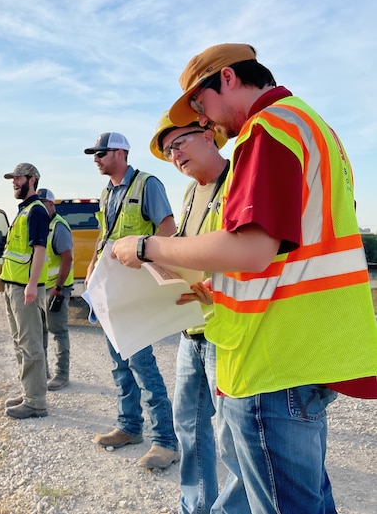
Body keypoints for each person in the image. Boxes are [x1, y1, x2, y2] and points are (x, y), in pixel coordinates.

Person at [111, 43, 377, 513]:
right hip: (310, 348)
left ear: (228, 79)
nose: (205, 119)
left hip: (272, 355)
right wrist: (213, 287)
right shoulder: (318, 131)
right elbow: (293, 251)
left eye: (200, 104)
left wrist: (146, 247)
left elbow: (251, 250)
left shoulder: (268, 128)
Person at [150, 112, 249, 514]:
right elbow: (187, 249)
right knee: (188, 426)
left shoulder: (239, 182)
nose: (174, 156)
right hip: (192, 330)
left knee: (233, 439)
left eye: (179, 144)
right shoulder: (192, 194)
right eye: (169, 151)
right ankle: (196, 505)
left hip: (227, 331)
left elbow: (246, 255)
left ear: (209, 135)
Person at [84, 132, 180, 470]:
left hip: (134, 289)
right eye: (93, 153)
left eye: (101, 152)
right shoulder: (106, 192)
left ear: (121, 152)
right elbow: (105, 234)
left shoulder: (146, 185)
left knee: (142, 364)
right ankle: (129, 427)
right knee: (119, 362)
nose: (96, 158)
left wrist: (145, 259)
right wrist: (92, 267)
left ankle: (166, 441)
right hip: (110, 288)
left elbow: (167, 229)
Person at [0, 163, 50, 419]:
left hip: (25, 290)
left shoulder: (37, 211)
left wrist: (32, 285)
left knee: (31, 344)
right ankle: (28, 392)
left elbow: (39, 250)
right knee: (20, 343)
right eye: (13, 179)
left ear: (32, 180)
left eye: (18, 178)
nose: (14, 182)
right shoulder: (23, 212)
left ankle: (36, 402)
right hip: (13, 287)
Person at [37, 188, 74, 391]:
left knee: (58, 331)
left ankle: (62, 374)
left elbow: (67, 258)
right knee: (40, 331)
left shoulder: (58, 227)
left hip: (56, 289)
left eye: (44, 203)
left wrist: (58, 288)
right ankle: (42, 372)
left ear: (52, 205)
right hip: (43, 287)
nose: (41, 207)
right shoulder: (44, 225)